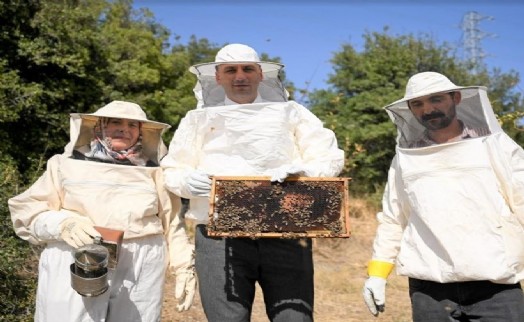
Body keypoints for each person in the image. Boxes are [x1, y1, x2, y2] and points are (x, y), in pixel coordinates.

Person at [161, 43, 345, 322]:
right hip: (217, 236)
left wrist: (305, 172)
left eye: (248, 69)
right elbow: (172, 170)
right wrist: (188, 181)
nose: (240, 77)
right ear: (218, 77)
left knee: (294, 318)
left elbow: (328, 157)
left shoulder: (292, 112)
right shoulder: (196, 119)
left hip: (286, 231)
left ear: (260, 74)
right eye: (230, 70)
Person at [8, 100, 196, 322]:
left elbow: (172, 223)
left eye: (132, 125)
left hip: (140, 263)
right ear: (98, 126)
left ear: (141, 132)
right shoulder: (62, 164)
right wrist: (63, 224)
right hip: (76, 256)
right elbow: (28, 212)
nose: (124, 129)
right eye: (115, 122)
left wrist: (184, 266)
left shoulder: (155, 172)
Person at [362, 71, 524, 321]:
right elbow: (394, 218)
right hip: (429, 288)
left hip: (496, 284)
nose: (427, 110)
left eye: (435, 99)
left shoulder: (494, 145)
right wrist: (377, 273)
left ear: (456, 98)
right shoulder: (406, 158)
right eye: (417, 104)